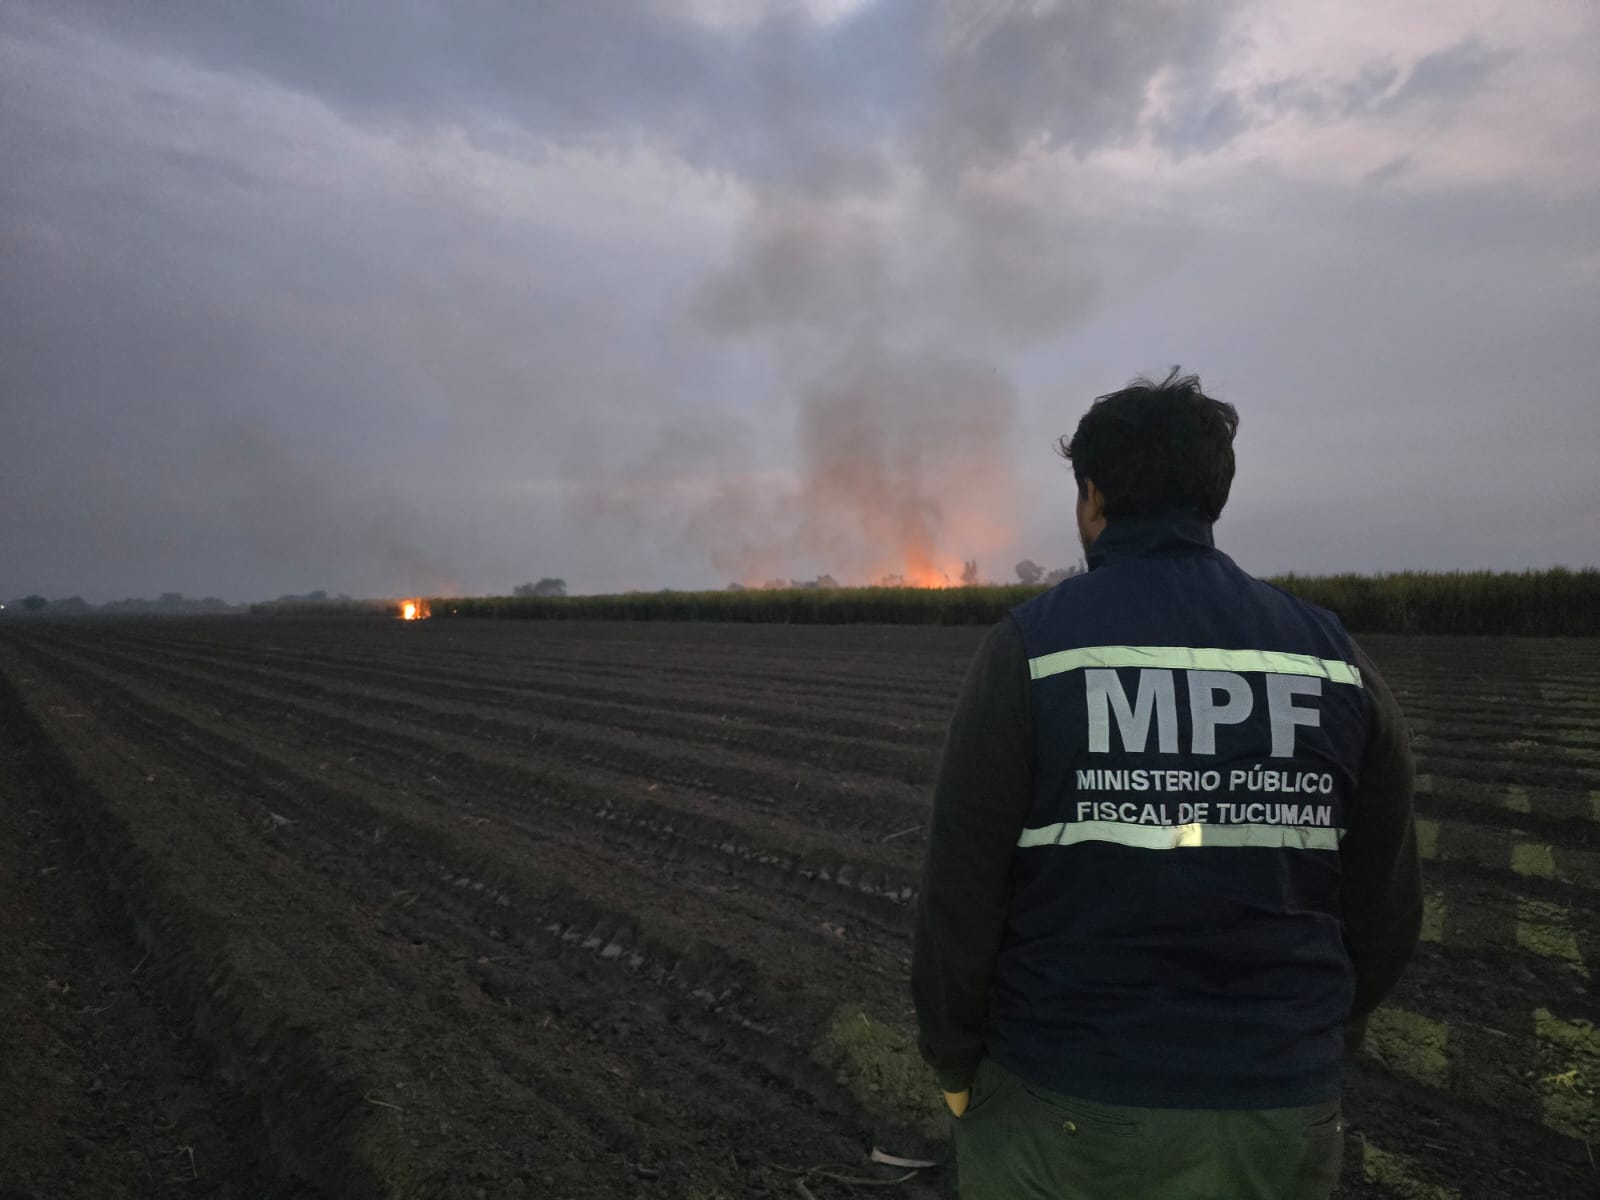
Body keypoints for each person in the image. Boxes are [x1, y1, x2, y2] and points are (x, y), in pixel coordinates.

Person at [911, 368, 1421, 1199]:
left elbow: (961, 891)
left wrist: (954, 1060)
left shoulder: (1033, 649)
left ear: (1092, 497)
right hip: (1280, 1112)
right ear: (1213, 494)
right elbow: (1385, 903)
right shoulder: (1333, 658)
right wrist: (1312, 1036)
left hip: (1064, 1103)